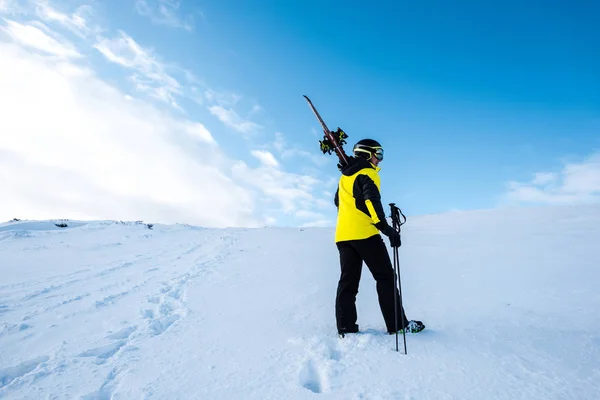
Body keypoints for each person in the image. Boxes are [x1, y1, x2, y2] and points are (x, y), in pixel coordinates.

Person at [333, 138, 424, 336]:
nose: (379, 160)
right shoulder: (368, 173)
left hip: (343, 236)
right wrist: (386, 229)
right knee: (385, 277)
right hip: (365, 234)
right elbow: (371, 201)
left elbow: (337, 202)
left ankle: (346, 327)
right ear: (367, 154)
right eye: (378, 154)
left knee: (348, 282)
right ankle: (398, 325)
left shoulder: (344, 177)